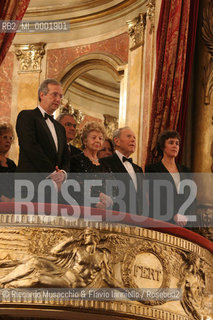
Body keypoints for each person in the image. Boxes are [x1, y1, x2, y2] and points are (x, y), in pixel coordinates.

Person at [16, 79, 70, 195]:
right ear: (42, 95)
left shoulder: (60, 128)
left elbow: (65, 155)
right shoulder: (27, 116)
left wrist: (63, 174)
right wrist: (52, 173)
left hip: (55, 189)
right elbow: (31, 147)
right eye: (54, 94)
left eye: (60, 96)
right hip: (30, 185)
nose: (58, 99)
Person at [145, 130, 195, 227]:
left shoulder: (186, 171)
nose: (175, 146)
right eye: (171, 142)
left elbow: (192, 198)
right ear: (163, 146)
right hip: (162, 222)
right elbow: (153, 198)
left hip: (185, 225)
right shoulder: (152, 169)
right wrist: (173, 215)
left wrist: (186, 217)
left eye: (177, 143)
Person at [100, 126, 144, 215]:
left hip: (137, 220)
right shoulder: (104, 163)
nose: (133, 140)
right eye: (129, 136)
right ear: (117, 141)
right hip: (114, 217)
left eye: (134, 138)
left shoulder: (138, 169)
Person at [69, 121, 113, 209]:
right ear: (85, 140)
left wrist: (109, 200)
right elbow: (75, 186)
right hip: (82, 210)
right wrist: (97, 198)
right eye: (94, 137)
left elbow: (114, 188)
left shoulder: (105, 165)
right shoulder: (76, 160)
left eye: (100, 138)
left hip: (104, 212)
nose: (97, 140)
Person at [0, 120, 16, 201]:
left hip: (10, 206)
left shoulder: (11, 164)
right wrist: (3, 198)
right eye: (5, 137)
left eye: (11, 138)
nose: (8, 141)